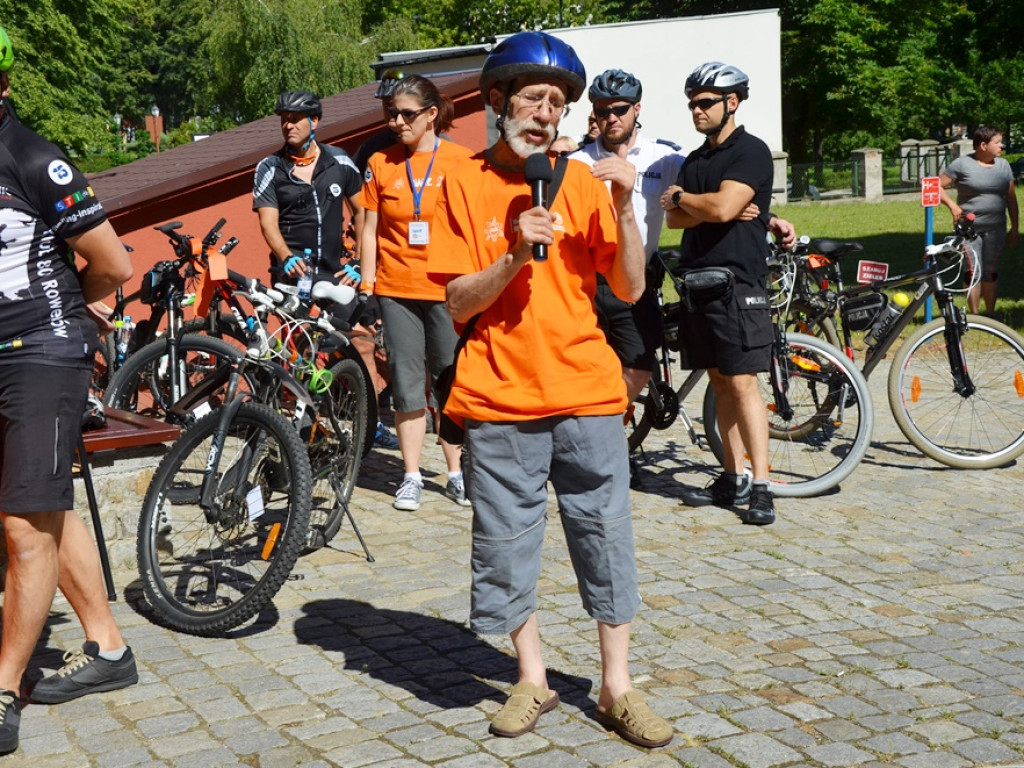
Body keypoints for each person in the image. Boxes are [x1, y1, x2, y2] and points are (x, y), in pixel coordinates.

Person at [428, 31, 672, 748]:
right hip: (500, 395)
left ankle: (617, 687)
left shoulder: (584, 180)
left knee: (605, 539)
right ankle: (530, 677)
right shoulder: (460, 182)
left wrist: (627, 210)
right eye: (533, 99)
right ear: (496, 101)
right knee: (506, 543)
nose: (546, 114)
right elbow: (458, 302)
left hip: (588, 391)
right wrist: (512, 252)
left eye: (559, 103)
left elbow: (626, 285)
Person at [0, 26, 138, 754]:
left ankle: (2, 691)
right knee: (37, 507)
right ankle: (109, 650)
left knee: (24, 525)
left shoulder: (33, 160)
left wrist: (65, 316)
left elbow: (112, 264)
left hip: (42, 352)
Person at [661, 61, 776, 526]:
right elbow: (675, 218)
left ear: (732, 102)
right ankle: (733, 476)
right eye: (692, 103)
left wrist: (690, 201)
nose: (696, 110)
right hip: (698, 282)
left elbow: (724, 205)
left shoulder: (751, 151)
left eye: (705, 102)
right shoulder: (695, 160)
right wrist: (698, 205)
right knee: (719, 380)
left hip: (739, 283)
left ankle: (762, 485)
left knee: (744, 382)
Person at [358, 75, 475, 510]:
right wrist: (368, 283)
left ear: (431, 115)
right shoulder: (380, 163)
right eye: (391, 114)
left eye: (407, 114)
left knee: (450, 381)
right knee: (407, 386)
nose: (397, 122)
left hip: (448, 289)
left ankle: (457, 472)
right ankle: (410, 476)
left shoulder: (463, 162)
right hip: (396, 288)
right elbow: (368, 229)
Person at [571, 69, 686, 405]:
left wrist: (768, 218)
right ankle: (596, 445)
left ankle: (608, 433)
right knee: (585, 368)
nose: (611, 117)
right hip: (589, 283)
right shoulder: (576, 162)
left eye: (619, 109)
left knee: (638, 367)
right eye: (602, 110)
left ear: (637, 109)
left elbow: (710, 186)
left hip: (637, 281)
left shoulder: (664, 158)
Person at [253, 89, 364, 282]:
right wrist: (285, 256)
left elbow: (362, 212)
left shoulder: (340, 160)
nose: (288, 126)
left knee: (368, 311)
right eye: (284, 120)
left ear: (314, 121)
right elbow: (267, 223)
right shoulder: (269, 167)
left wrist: (359, 261)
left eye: (295, 119)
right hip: (293, 273)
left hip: (336, 273)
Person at [939, 125, 1019, 315]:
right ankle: (974, 316)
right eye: (998, 142)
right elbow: (935, 186)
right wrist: (952, 205)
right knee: (973, 271)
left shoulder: (1003, 165)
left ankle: (990, 315)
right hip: (968, 230)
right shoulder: (962, 164)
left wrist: (1015, 227)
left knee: (990, 271)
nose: (1002, 146)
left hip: (996, 229)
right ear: (983, 145)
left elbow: (1011, 198)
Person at [352, 69, 406, 175]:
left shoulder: (434, 145)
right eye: (386, 104)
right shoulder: (371, 147)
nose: (389, 110)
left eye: (393, 104)